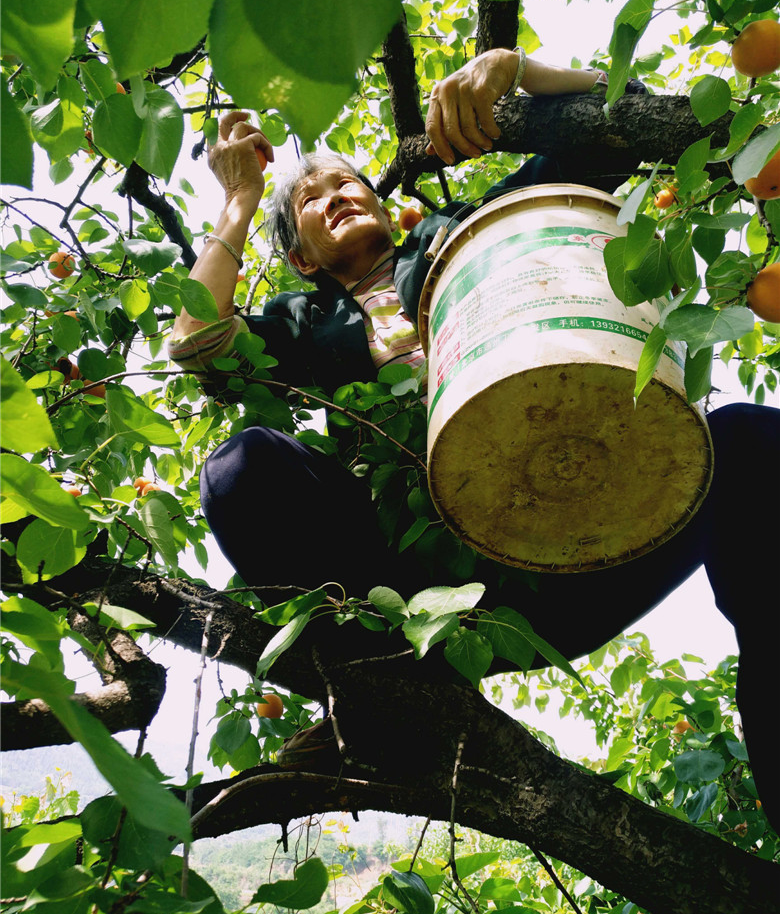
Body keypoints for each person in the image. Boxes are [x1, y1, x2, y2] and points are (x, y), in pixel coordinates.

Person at [168, 47, 779, 831]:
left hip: (578, 550)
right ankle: (386, 694)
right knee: (240, 467)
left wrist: (513, 70)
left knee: (753, 445)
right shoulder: (301, 324)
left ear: (387, 205)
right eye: (312, 201)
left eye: (348, 181)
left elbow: (619, 123)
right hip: (425, 599)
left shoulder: (477, 230)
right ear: (298, 257)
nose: (338, 195)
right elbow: (197, 344)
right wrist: (242, 197)